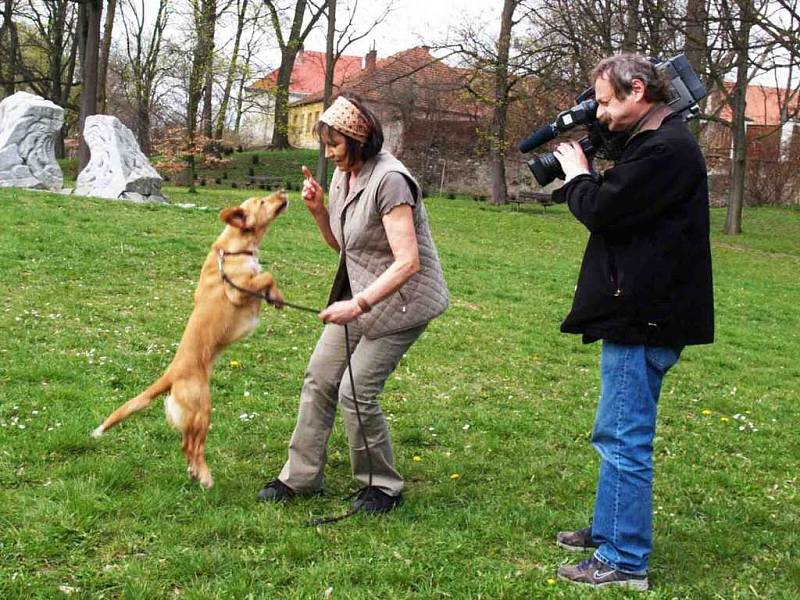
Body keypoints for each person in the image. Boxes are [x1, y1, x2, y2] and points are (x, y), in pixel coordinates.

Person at [549, 54, 714, 590]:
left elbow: (603, 210)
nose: (598, 112)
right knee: (616, 429)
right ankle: (609, 529)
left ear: (637, 90)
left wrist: (578, 176)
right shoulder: (658, 143)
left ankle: (624, 559)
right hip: (641, 309)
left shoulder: (667, 150)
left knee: (623, 436)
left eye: (603, 100)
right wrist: (596, 150)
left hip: (645, 316)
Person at [256, 94, 449, 513]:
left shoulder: (391, 181)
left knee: (357, 390)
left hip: (402, 303)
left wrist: (356, 304)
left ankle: (382, 487)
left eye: (334, 144)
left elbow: (408, 262)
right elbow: (346, 248)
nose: (328, 153)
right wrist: (318, 211)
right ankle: (301, 477)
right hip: (362, 297)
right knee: (319, 379)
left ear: (359, 139)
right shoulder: (348, 175)